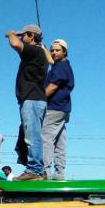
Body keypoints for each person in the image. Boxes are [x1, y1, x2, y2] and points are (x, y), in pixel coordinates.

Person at [6, 24, 51, 180]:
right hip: (35, 99)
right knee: (33, 135)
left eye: (23, 35)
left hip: (31, 99)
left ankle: (34, 170)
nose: (20, 37)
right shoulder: (39, 52)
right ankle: (39, 169)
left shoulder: (35, 50)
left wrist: (11, 33)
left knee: (32, 137)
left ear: (31, 36)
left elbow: (15, 44)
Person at [42, 39, 75, 180]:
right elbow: (51, 60)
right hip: (63, 109)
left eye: (57, 50)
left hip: (54, 108)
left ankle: (44, 171)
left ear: (65, 52)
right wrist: (43, 48)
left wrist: (39, 98)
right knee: (60, 141)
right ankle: (59, 173)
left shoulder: (61, 67)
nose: (54, 53)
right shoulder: (60, 65)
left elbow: (53, 86)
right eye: (52, 50)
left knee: (46, 139)